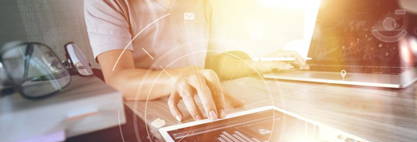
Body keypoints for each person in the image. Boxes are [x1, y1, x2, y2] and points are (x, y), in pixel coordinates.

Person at [84, 0, 306, 121]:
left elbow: (207, 63)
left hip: (202, 108)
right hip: (150, 116)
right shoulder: (105, 2)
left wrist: (255, 63)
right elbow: (117, 79)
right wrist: (178, 79)